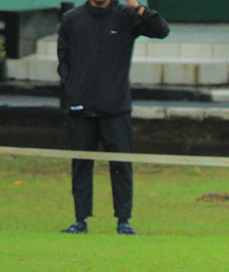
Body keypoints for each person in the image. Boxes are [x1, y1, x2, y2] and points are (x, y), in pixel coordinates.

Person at [57, 0, 170, 235]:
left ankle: (123, 220)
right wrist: (72, 89)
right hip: (81, 107)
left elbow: (161, 30)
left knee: (121, 165)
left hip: (115, 107)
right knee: (81, 165)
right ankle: (80, 219)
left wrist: (137, 5)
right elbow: (63, 60)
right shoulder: (72, 19)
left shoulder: (126, 15)